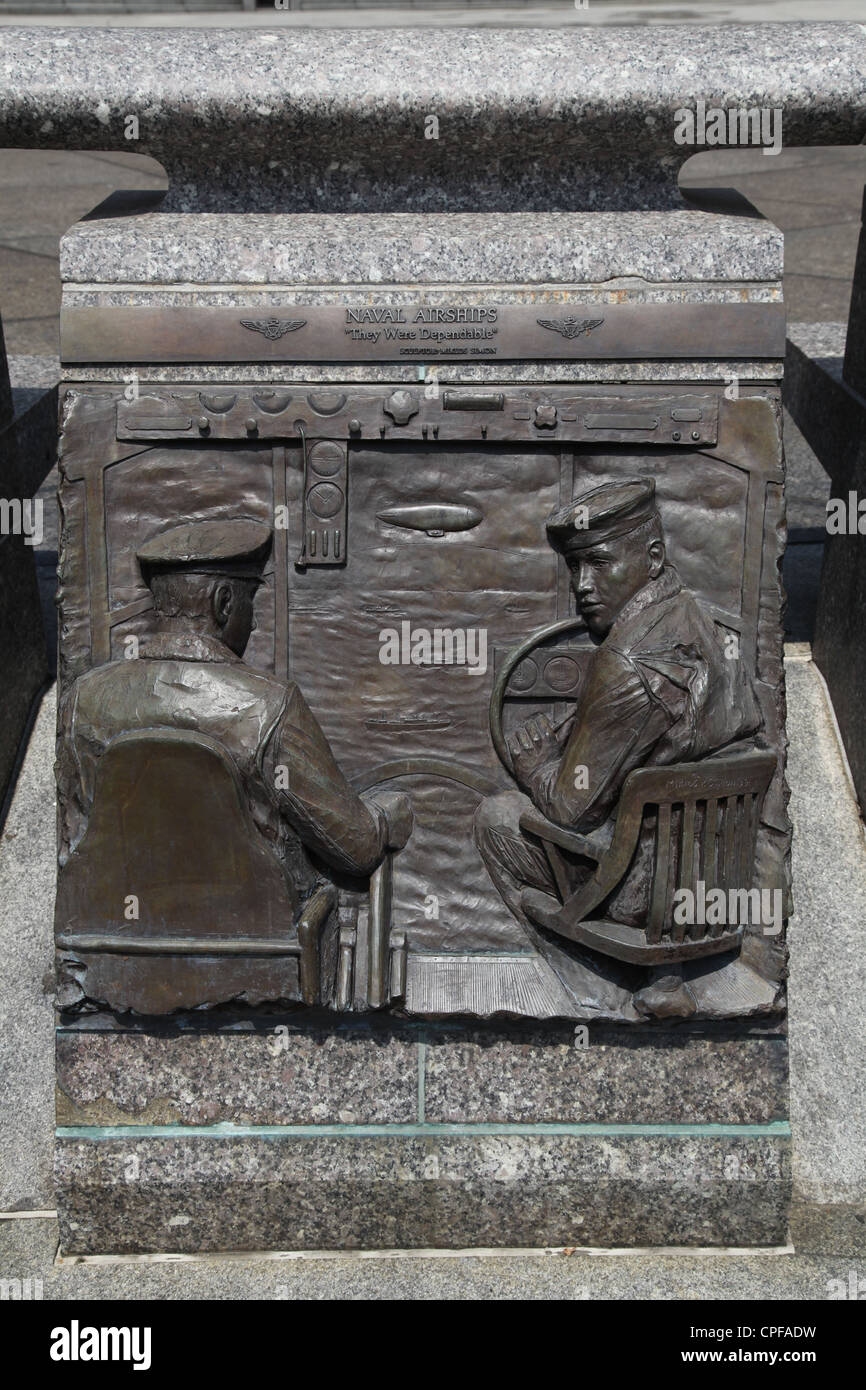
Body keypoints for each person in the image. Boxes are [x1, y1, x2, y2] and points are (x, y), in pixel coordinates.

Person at [474, 478, 762, 1018]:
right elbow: (680, 734)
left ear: (652, 558)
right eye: (574, 568)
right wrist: (588, 725)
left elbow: (571, 809)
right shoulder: (707, 625)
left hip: (643, 898)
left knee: (496, 816)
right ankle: (667, 978)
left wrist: (537, 765)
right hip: (714, 885)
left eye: (599, 564)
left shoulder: (625, 662)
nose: (583, 585)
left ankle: (589, 993)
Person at [57, 518, 412, 912]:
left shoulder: (83, 700)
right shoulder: (268, 707)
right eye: (250, 600)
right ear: (223, 602)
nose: (255, 620)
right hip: (254, 952)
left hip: (118, 941)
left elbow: (75, 842)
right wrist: (383, 819)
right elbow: (355, 848)